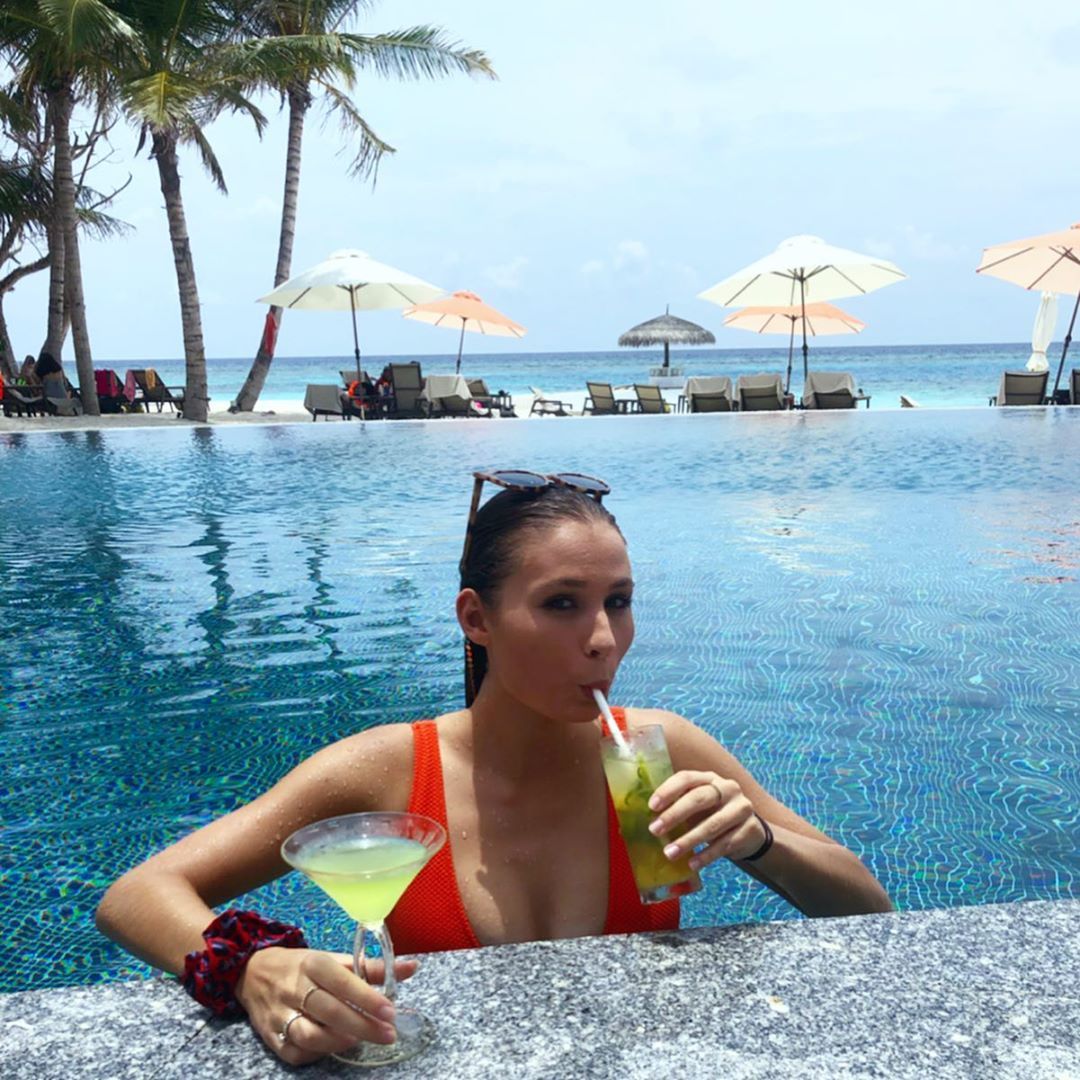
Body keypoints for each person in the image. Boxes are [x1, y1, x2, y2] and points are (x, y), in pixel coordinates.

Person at [96, 470, 893, 1066]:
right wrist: (250, 966)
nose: (603, 640)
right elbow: (136, 896)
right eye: (562, 603)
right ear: (476, 617)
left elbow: (868, 908)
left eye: (618, 601)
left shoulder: (660, 752)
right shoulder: (389, 770)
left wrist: (757, 842)